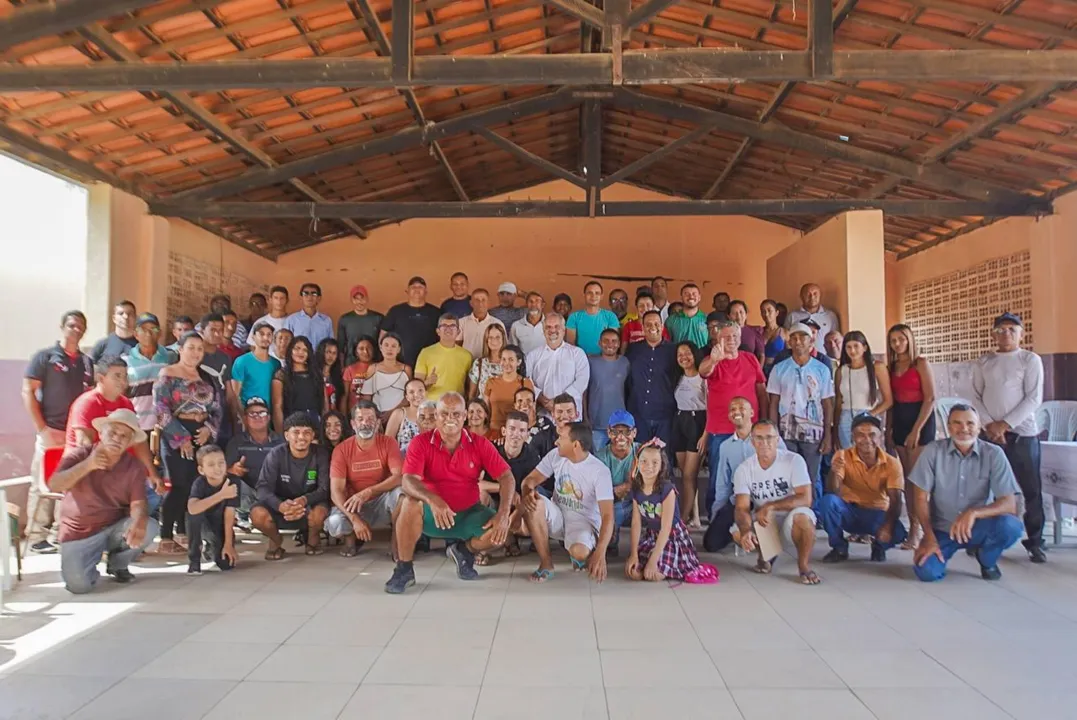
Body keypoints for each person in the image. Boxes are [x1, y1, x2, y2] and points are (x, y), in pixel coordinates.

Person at [384, 393, 515, 593]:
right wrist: (433, 499)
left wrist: (503, 514)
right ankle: (404, 568)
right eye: (444, 413)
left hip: (468, 513)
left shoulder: (479, 444)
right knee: (409, 503)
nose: (450, 418)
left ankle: (464, 551)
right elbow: (408, 480)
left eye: (456, 414)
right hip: (431, 513)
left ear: (465, 417)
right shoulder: (420, 443)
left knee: (502, 533)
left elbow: (507, 477)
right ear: (436, 416)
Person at [910, 404, 1024, 582]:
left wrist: (973, 513)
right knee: (926, 571)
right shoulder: (933, 451)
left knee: (1011, 526)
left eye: (970, 423)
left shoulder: (994, 454)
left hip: (978, 526)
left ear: (979, 427)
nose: (964, 429)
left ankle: (987, 559)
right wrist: (928, 537)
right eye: (957, 423)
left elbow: (1009, 504)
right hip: (943, 529)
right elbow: (919, 497)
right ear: (948, 427)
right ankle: (941, 552)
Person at [51, 409, 156, 593]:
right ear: (101, 433)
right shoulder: (80, 455)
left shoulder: (134, 466)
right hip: (78, 531)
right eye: (113, 432)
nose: (117, 438)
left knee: (149, 527)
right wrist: (89, 465)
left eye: (124, 436)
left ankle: (118, 564)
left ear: (130, 442)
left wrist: (139, 520)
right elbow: (55, 484)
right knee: (78, 586)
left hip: (113, 527)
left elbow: (138, 502)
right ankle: (89, 564)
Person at [971, 312, 1045, 563]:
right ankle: (981, 538)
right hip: (990, 434)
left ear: (1021, 334)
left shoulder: (1029, 359)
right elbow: (975, 397)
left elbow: (1033, 398)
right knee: (986, 488)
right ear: (994, 333)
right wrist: (991, 426)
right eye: (1001, 330)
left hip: (1023, 434)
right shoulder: (984, 361)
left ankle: (1035, 542)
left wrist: (1005, 424)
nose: (1006, 334)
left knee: (1030, 489)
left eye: (1012, 329)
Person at [22, 310, 94, 553]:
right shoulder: (45, 357)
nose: (76, 329)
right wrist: (42, 429)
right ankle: (35, 536)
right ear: (62, 327)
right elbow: (28, 391)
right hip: (50, 431)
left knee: (69, 483)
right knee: (41, 483)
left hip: (75, 434)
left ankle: (57, 533)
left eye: (81, 326)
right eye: (72, 325)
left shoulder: (86, 362)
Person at [520, 422, 615, 583]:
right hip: (558, 514)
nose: (556, 441)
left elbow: (607, 516)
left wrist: (600, 554)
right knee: (535, 502)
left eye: (561, 438)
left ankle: (580, 553)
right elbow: (529, 480)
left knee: (579, 552)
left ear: (575, 445)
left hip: (582, 521)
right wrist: (527, 492)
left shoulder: (599, 471)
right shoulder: (555, 455)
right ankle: (546, 564)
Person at [154, 331, 222, 554]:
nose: (195, 353)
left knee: (194, 484)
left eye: (200, 349)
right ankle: (166, 534)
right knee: (178, 484)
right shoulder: (168, 374)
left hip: (200, 434)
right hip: (175, 433)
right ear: (180, 349)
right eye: (191, 347)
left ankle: (184, 530)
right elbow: (161, 410)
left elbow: (217, 409)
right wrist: (181, 438)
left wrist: (208, 430)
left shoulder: (207, 378)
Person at [731, 420, 820, 585]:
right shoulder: (744, 469)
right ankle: (766, 555)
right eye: (759, 438)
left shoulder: (794, 460)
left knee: (803, 518)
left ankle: (803, 566)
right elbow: (741, 507)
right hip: (766, 521)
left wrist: (770, 506)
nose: (764, 443)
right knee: (737, 532)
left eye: (769, 438)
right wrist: (745, 531)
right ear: (752, 442)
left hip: (791, 518)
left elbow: (805, 498)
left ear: (777, 440)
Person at [700, 320, 767, 514]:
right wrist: (713, 360)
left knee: (752, 476)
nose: (731, 340)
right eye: (726, 337)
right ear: (718, 339)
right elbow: (703, 371)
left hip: (750, 429)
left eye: (735, 336)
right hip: (720, 430)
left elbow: (761, 390)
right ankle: (715, 518)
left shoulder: (750, 359)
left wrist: (764, 420)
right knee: (718, 479)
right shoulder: (713, 360)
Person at [820, 414, 907, 563]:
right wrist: (834, 472)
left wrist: (887, 526)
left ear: (880, 437)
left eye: (872, 435)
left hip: (876, 514)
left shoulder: (892, 463)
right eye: (860, 435)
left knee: (898, 532)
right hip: (849, 511)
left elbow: (896, 500)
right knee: (827, 503)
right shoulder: (842, 456)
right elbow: (833, 491)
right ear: (853, 437)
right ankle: (839, 547)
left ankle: (879, 546)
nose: (867, 440)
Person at [65, 356, 162, 491]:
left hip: (117, 469)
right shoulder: (87, 403)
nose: (123, 381)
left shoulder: (125, 403)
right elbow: (84, 446)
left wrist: (152, 474)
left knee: (153, 496)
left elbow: (138, 442)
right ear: (101, 378)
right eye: (117, 376)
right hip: (85, 472)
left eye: (125, 376)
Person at [703, 397, 786, 552]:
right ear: (729, 416)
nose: (737, 412)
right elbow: (723, 485)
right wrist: (717, 515)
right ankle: (742, 534)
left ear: (752, 412)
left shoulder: (769, 438)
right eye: (733, 409)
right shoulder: (725, 446)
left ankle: (765, 540)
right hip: (739, 501)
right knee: (711, 543)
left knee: (769, 551)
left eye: (741, 408)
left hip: (767, 498)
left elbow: (785, 470)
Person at [767, 323, 835, 510]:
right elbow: (773, 402)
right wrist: (773, 433)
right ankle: (791, 518)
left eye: (802, 337)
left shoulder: (821, 369)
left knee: (811, 477)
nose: (798, 342)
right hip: (785, 431)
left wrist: (828, 435)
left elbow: (827, 404)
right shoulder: (779, 369)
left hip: (814, 432)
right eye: (794, 338)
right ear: (789, 342)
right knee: (787, 476)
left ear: (811, 341)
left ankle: (810, 517)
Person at [327, 401, 404, 557]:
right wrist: (354, 519)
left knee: (401, 494)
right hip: (355, 504)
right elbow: (336, 491)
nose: (365, 423)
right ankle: (351, 541)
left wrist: (369, 492)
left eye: (370, 419)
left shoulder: (389, 443)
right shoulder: (341, 449)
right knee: (334, 523)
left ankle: (397, 544)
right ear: (353, 424)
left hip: (381, 501)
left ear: (377, 423)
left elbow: (399, 477)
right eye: (360, 419)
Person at [253, 412, 331, 559]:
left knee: (320, 512)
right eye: (296, 432)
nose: (301, 437)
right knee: (257, 515)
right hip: (281, 504)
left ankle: (313, 541)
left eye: (307, 432)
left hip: (309, 503)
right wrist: (280, 505)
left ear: (313, 435)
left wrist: (303, 500)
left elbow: (324, 489)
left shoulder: (320, 454)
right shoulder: (276, 454)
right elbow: (263, 489)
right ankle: (276, 540)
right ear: (287, 435)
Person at [886, 324, 936, 550]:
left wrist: (916, 430)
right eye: (893, 340)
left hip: (920, 419)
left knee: (917, 479)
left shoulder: (920, 363)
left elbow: (930, 398)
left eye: (901, 339)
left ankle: (921, 532)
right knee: (906, 477)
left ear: (909, 340)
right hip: (900, 418)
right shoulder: (891, 366)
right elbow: (891, 401)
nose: (897, 344)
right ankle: (913, 528)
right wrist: (888, 429)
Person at [625, 445, 704, 582]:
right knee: (635, 573)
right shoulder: (636, 489)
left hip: (671, 537)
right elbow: (636, 523)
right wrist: (633, 554)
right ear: (637, 463)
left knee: (654, 575)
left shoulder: (667, 490)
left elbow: (666, 527)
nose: (649, 466)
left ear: (662, 465)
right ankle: (651, 559)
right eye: (644, 461)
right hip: (652, 536)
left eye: (655, 462)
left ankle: (664, 564)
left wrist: (653, 560)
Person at [225, 397, 284, 531]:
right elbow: (224, 471)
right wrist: (232, 469)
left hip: (274, 493)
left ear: (269, 417)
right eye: (252, 413)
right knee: (230, 480)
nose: (257, 417)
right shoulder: (236, 442)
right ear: (245, 418)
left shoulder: (281, 441)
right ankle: (241, 515)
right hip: (248, 494)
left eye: (262, 413)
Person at [624, 310, 677, 447]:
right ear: (642, 327)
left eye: (656, 324)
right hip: (638, 414)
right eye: (648, 324)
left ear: (662, 326)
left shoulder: (674, 350)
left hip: (665, 415)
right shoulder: (633, 350)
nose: (652, 327)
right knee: (639, 457)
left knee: (664, 460)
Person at [833, 331, 893, 449]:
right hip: (845, 418)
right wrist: (835, 429)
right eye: (848, 347)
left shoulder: (877, 367)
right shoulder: (841, 371)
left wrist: (869, 415)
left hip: (868, 417)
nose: (852, 350)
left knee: (870, 457)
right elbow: (839, 401)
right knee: (849, 458)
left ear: (864, 347)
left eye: (856, 346)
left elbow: (888, 401)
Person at [185, 445, 239, 574]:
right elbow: (192, 509)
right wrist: (222, 495)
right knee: (194, 515)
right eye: (211, 465)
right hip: (202, 523)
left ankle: (211, 548)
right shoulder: (199, 483)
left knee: (226, 564)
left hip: (219, 525)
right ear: (201, 469)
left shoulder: (233, 482)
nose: (217, 468)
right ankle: (194, 559)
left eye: (221, 463)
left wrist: (228, 544)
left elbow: (229, 513)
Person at [526, 313, 589, 420]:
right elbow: (527, 381)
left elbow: (582, 381)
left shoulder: (577, 353)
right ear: (543, 331)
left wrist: (559, 402)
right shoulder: (532, 355)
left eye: (557, 327)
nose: (552, 330)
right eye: (548, 327)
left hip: (571, 418)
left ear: (564, 330)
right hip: (543, 416)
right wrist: (540, 397)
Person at [594, 409, 639, 556]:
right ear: (608, 432)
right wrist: (617, 490)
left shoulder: (643, 452)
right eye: (615, 431)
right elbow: (596, 492)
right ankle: (610, 538)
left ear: (634, 433)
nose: (620, 437)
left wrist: (630, 486)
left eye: (626, 432)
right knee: (614, 513)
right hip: (613, 503)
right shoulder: (600, 457)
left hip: (638, 501)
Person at [672, 341, 706, 526]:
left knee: (689, 475)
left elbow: (712, 408)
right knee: (685, 474)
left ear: (695, 355)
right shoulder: (678, 377)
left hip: (697, 423)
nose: (684, 357)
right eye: (680, 354)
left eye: (688, 353)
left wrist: (705, 435)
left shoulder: (703, 377)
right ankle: (695, 516)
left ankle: (682, 520)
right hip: (680, 421)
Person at [125, 312, 175, 440]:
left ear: (159, 333)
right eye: (143, 330)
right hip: (136, 425)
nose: (148, 333)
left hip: (166, 425)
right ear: (136, 334)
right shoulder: (126, 360)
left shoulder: (171, 357)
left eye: (153, 329)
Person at [199, 312, 240, 447]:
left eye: (220, 330)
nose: (217, 334)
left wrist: (234, 422)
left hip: (222, 418)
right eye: (213, 330)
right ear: (201, 331)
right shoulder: (195, 356)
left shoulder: (225, 357)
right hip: (201, 417)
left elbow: (229, 393)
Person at [382, 276, 442, 367]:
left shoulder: (436, 312)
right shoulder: (396, 311)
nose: (417, 289)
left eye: (420, 287)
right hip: (401, 363)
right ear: (407, 291)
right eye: (413, 287)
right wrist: (387, 358)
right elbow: (383, 335)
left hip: (429, 362)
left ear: (426, 292)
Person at [587, 329, 629, 450]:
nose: (610, 344)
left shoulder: (625, 362)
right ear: (599, 343)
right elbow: (584, 392)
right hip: (596, 423)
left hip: (620, 424)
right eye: (606, 341)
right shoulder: (590, 362)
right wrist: (585, 416)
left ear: (619, 344)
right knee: (598, 461)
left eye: (614, 341)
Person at [415, 314, 473, 400]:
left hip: (456, 404)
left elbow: (470, 386)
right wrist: (427, 382)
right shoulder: (426, 352)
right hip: (432, 404)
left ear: (458, 331)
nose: (448, 329)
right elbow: (416, 385)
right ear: (438, 331)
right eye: (444, 326)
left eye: (452, 326)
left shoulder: (467, 356)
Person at [271, 337, 322, 431]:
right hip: (292, 422)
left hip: (315, 420)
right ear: (290, 350)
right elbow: (277, 407)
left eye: (305, 350)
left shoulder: (315, 373)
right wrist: (280, 434)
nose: (301, 352)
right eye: (297, 348)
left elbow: (324, 402)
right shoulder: (281, 375)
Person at [483, 345, 533, 436]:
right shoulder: (491, 382)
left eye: (511, 359)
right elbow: (486, 411)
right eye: (504, 359)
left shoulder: (526, 383)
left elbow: (531, 413)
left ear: (518, 362)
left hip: (516, 433)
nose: (506, 363)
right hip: (494, 432)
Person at [231, 321, 281, 409]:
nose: (265, 337)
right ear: (253, 337)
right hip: (249, 415)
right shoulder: (242, 361)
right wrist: (242, 418)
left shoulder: (276, 364)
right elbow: (235, 395)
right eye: (261, 334)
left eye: (269, 334)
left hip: (269, 416)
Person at [360, 332, 412, 416]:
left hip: (401, 415)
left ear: (399, 349)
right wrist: (374, 415)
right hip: (377, 416)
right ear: (380, 347)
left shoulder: (406, 369)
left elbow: (409, 396)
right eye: (386, 345)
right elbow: (367, 397)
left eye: (393, 346)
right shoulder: (373, 368)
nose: (389, 349)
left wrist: (392, 413)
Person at [567, 281, 620, 356]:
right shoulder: (574, 317)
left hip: (604, 360)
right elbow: (571, 345)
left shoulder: (610, 316)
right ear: (584, 295)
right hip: (580, 360)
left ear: (601, 296)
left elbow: (613, 343)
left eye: (597, 293)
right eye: (589, 293)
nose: (593, 296)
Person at [786, 283, 841, 355]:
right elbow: (787, 341)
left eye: (815, 294)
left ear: (820, 295)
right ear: (801, 297)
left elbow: (836, 339)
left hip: (824, 361)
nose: (812, 297)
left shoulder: (830, 316)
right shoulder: (792, 316)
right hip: (799, 360)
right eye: (808, 294)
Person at [337, 285, 384, 366]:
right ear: (352, 300)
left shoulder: (378, 318)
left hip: (374, 363)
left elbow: (384, 344)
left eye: (362, 298)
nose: (359, 302)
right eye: (356, 299)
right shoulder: (344, 319)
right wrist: (341, 366)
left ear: (367, 299)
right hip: (351, 364)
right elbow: (341, 346)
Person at [458, 288, 505, 359]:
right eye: (477, 300)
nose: (480, 303)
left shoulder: (497, 323)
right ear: (471, 303)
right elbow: (457, 345)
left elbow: (503, 347)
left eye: (483, 300)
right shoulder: (462, 322)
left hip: (488, 365)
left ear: (488, 302)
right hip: (465, 363)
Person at [285, 282, 334, 349]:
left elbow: (330, 344)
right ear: (301, 297)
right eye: (306, 293)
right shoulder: (292, 320)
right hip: (299, 358)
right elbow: (287, 344)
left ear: (319, 298)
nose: (310, 297)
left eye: (314, 294)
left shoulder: (326, 320)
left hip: (319, 358)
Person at [385, 378, 427, 453]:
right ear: (407, 397)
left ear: (426, 393)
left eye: (420, 390)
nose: (417, 394)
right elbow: (387, 443)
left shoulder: (435, 415)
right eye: (411, 392)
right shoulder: (399, 414)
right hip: (404, 462)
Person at [467, 323, 507, 400]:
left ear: (503, 339)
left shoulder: (509, 363)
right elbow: (471, 395)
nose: (494, 340)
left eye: (497, 337)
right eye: (490, 337)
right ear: (486, 340)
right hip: (483, 409)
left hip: (504, 409)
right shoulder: (479, 363)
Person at [514, 386, 556, 458]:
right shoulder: (511, 427)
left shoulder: (546, 425)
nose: (524, 404)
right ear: (514, 405)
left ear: (534, 404)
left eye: (528, 400)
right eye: (520, 401)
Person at [664, 283, 708, 349]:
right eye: (687, 294)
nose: (691, 296)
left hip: (703, 358)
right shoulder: (671, 320)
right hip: (680, 358)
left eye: (694, 294)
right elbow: (666, 344)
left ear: (699, 297)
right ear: (681, 297)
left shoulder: (707, 319)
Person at [343, 336, 376, 414]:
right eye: (361, 348)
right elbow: (345, 396)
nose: (365, 351)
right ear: (356, 352)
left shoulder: (379, 368)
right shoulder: (350, 370)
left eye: (369, 348)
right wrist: (344, 418)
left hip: (375, 413)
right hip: (355, 414)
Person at [314, 338, 347, 416]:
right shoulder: (313, 373)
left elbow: (341, 398)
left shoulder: (338, 375)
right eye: (328, 352)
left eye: (334, 353)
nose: (331, 356)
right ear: (321, 352)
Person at [510, 291, 546, 355]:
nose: (533, 305)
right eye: (530, 301)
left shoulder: (549, 325)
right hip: (525, 364)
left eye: (537, 301)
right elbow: (513, 351)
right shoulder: (516, 326)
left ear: (542, 305)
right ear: (526, 305)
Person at [728, 300, 764, 364]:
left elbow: (761, 355)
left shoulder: (755, 331)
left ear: (746, 314)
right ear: (729, 316)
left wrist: (758, 372)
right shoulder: (725, 333)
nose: (738, 316)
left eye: (741, 312)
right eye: (734, 313)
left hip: (750, 370)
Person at [759, 299, 787, 377]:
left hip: (779, 371)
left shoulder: (784, 332)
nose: (766, 314)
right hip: (761, 371)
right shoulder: (759, 332)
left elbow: (790, 355)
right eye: (763, 311)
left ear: (776, 313)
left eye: (769, 310)